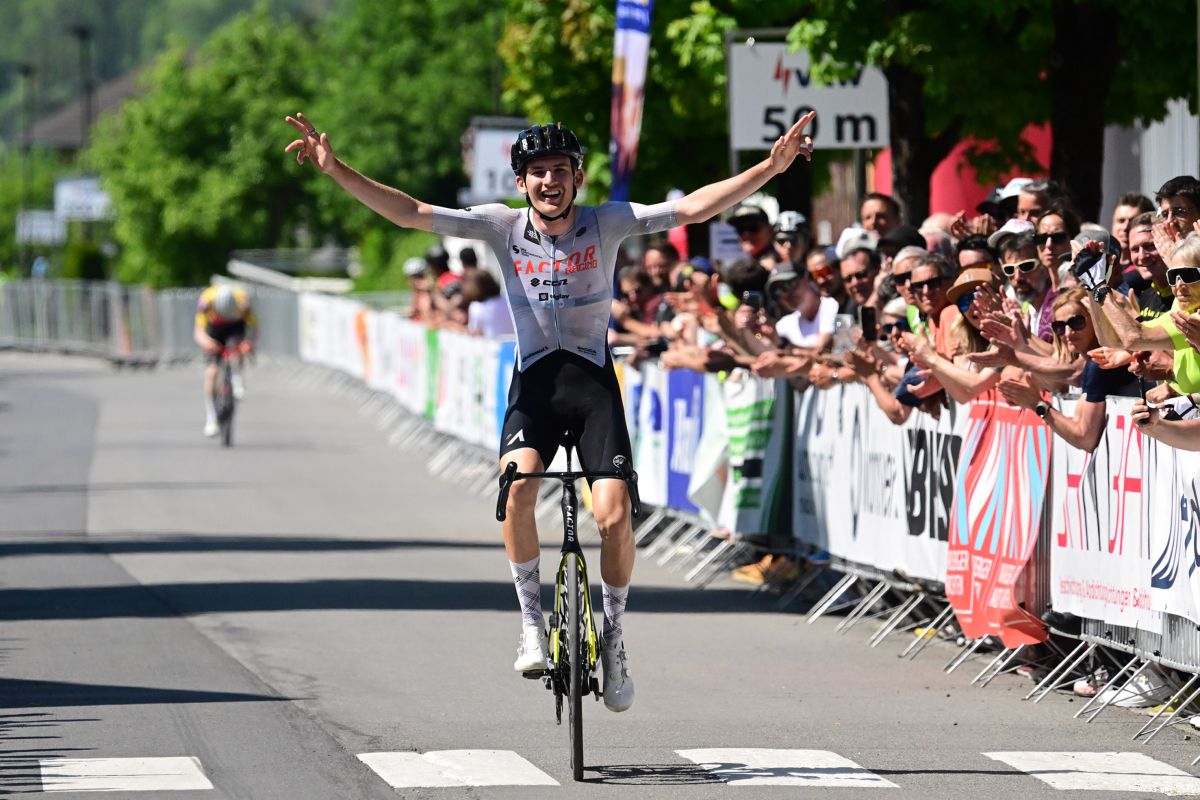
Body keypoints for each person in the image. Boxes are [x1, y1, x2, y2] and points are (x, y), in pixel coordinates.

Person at [285, 110, 816, 712]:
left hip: (593, 386)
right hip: (534, 387)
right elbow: (410, 211)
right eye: (537, 172)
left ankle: (613, 638)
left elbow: (693, 208)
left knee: (614, 517)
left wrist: (769, 168)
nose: (548, 181)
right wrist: (338, 170)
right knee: (516, 490)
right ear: (521, 182)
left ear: (577, 177)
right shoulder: (500, 226)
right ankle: (531, 624)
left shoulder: (607, 222)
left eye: (559, 170)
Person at [193, 283, 256, 437]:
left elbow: (254, 329)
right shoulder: (206, 301)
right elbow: (198, 332)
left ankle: (237, 379)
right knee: (212, 373)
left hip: (235, 327)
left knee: (238, 349)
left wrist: (248, 343)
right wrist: (208, 343)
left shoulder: (243, 300)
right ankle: (211, 418)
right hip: (215, 330)